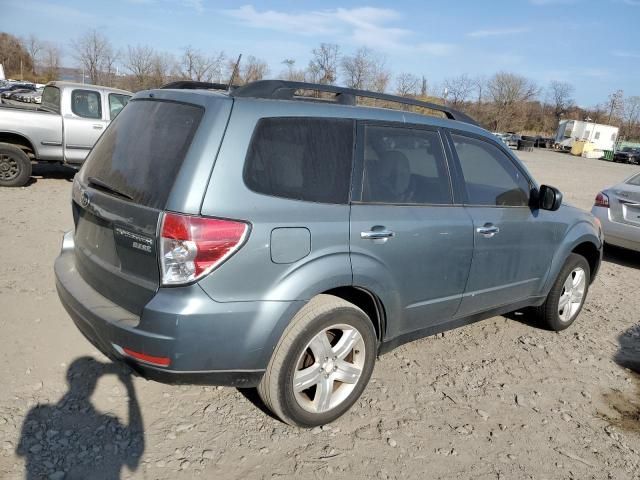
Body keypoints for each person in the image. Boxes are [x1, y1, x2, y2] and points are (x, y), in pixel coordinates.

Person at [16, 357, 144, 480]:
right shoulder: (108, 422)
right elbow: (134, 460)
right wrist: (129, 388)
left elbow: (20, 451)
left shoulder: (36, 413)